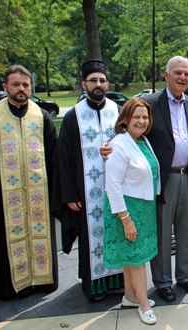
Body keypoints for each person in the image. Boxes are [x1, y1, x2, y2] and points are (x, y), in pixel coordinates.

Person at [52, 59, 124, 300]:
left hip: (117, 188)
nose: (98, 84)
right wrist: (70, 194)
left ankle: (119, 282)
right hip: (87, 191)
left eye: (102, 80)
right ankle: (94, 286)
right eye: (93, 80)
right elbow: (64, 159)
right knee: (93, 237)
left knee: (117, 232)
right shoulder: (74, 116)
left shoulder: (118, 111)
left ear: (107, 83)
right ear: (84, 84)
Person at [141, 56, 188, 301]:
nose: (182, 78)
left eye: (186, 74)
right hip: (163, 179)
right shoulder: (149, 103)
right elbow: (134, 134)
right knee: (161, 231)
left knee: (186, 231)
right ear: (166, 75)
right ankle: (162, 282)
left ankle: (186, 277)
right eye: (178, 73)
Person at [0, 65, 59, 300]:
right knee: (5, 241)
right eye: (15, 84)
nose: (21, 89)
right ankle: (13, 286)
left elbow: (54, 156)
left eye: (25, 85)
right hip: (5, 195)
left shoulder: (41, 116)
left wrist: (55, 193)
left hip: (38, 194)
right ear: (5, 87)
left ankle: (42, 281)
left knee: (40, 234)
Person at [104, 99, 159, 324]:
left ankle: (130, 296)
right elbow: (112, 184)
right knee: (137, 259)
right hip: (128, 210)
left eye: (145, 117)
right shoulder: (119, 144)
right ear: (125, 119)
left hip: (143, 208)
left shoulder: (142, 141)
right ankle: (144, 305)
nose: (141, 121)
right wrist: (126, 219)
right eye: (136, 117)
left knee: (131, 256)